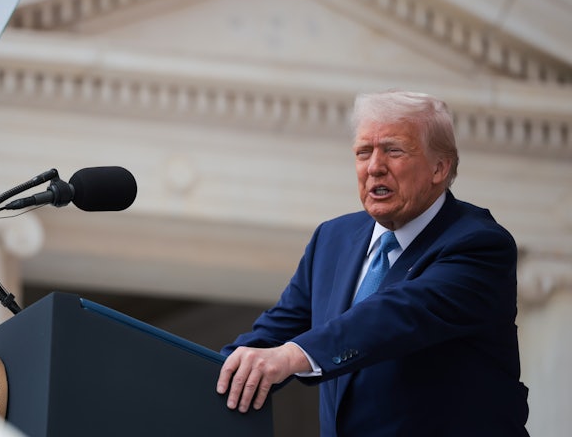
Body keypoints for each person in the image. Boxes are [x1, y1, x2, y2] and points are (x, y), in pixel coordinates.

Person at [216, 90, 529, 437]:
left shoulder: (479, 244)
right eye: (363, 152)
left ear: (440, 167)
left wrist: (292, 356)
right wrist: (200, 373)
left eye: (393, 150)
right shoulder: (332, 239)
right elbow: (274, 333)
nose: (375, 167)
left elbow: (396, 314)